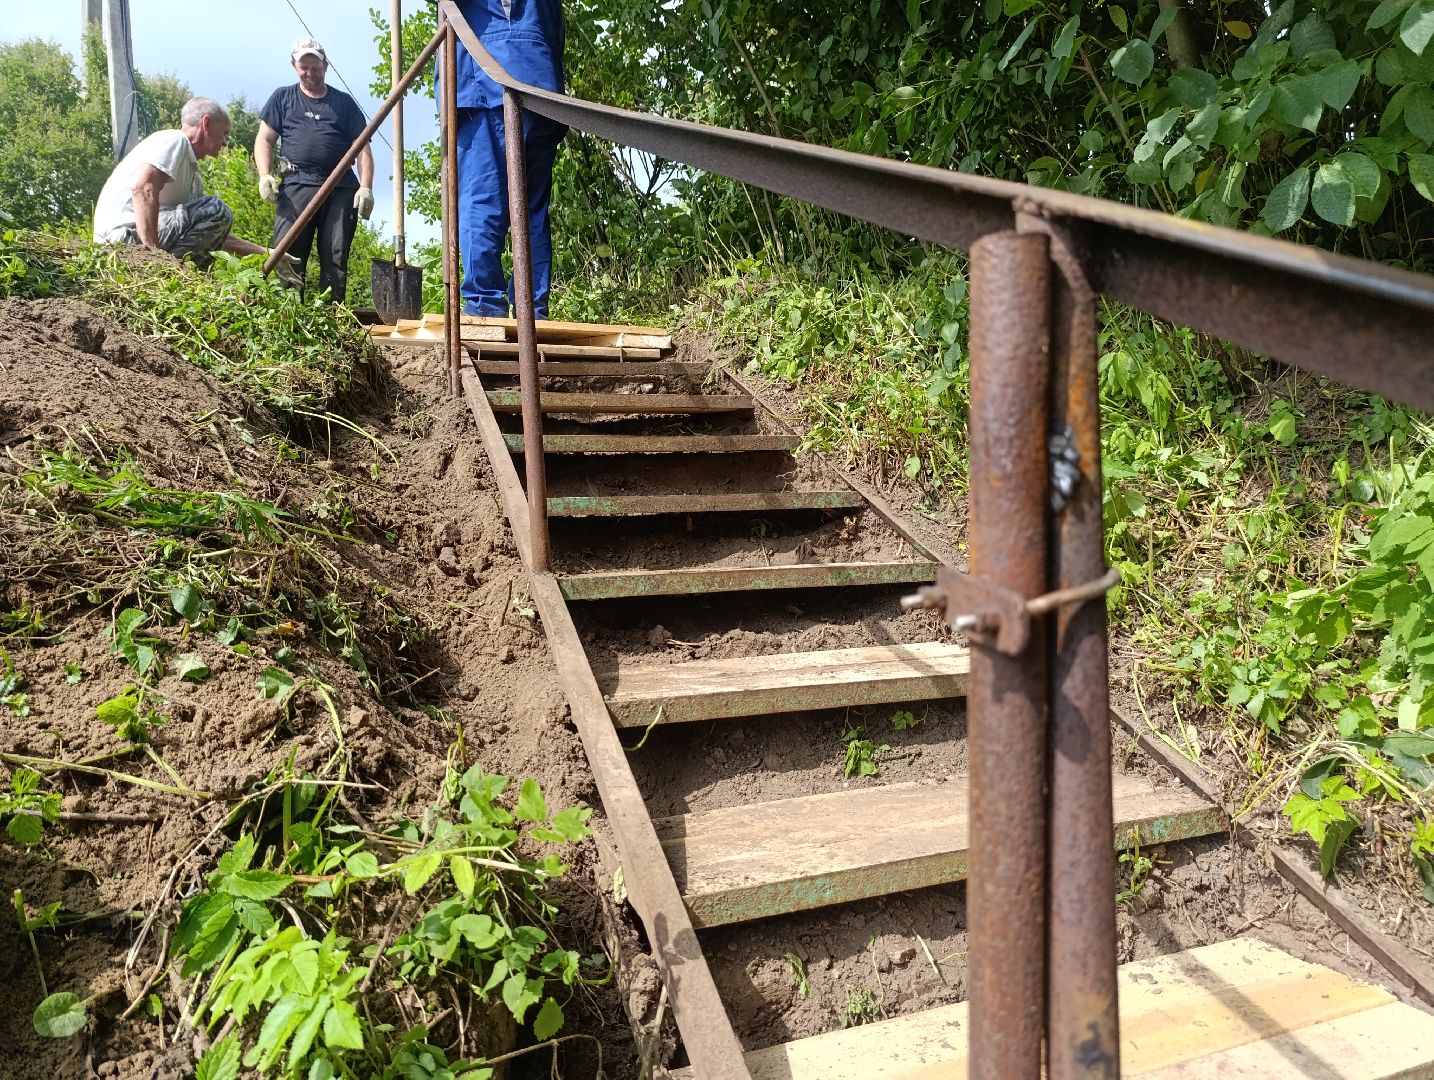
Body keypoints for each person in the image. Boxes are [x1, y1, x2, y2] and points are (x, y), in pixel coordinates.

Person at [450, 0, 566, 318]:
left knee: (483, 198)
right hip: (543, 85)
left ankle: (485, 304)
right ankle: (532, 309)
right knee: (532, 210)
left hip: (488, 81)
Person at [93, 97, 286, 274]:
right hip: (119, 239)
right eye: (225, 133)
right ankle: (166, 270)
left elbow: (215, 232)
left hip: (133, 239)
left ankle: (180, 275)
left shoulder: (192, 176)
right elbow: (143, 189)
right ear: (206, 123)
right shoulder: (175, 140)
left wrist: (269, 253)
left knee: (216, 219)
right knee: (217, 210)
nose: (225, 143)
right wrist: (152, 255)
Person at [255, 37, 375, 302]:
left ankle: (331, 314)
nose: (310, 72)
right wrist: (264, 175)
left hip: (340, 187)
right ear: (294, 66)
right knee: (288, 252)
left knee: (335, 255)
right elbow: (264, 139)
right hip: (296, 184)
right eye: (304, 67)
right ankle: (288, 313)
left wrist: (366, 187)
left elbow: (363, 148)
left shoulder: (344, 103)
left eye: (315, 66)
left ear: (326, 66)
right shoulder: (282, 98)